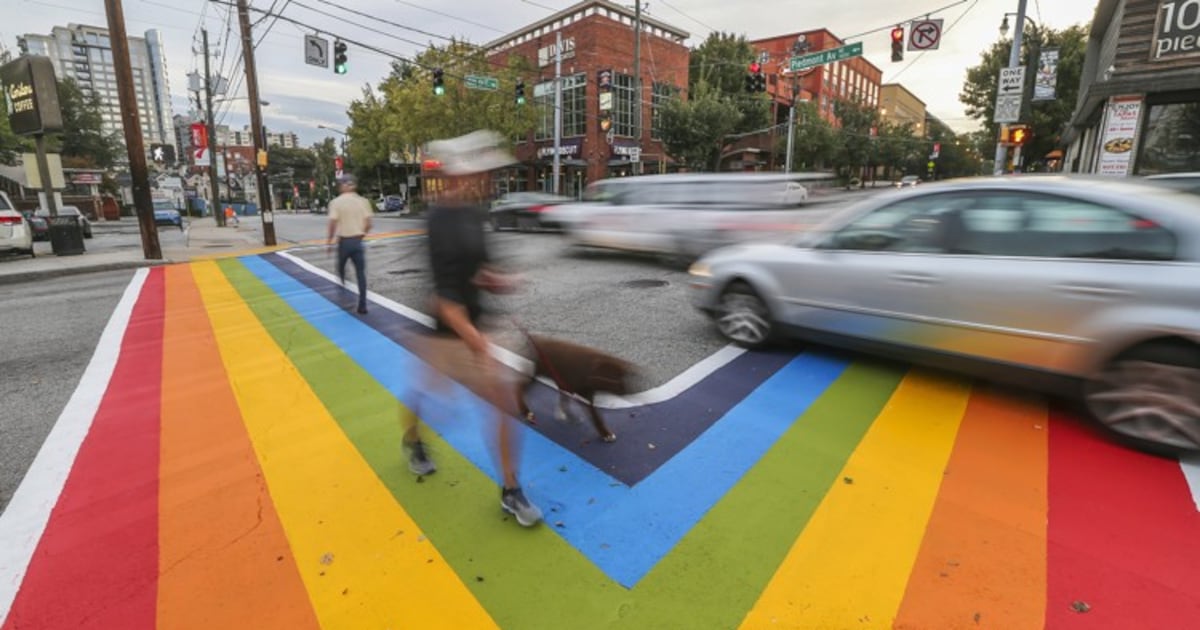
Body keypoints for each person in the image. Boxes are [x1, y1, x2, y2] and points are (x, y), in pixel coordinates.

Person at [403, 129, 543, 527]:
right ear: (453, 176)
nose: (484, 178)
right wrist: (476, 341)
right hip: (447, 333)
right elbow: (444, 300)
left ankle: (511, 490)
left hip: (476, 326)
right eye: (478, 171)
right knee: (424, 395)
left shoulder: (474, 214)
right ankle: (412, 439)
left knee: (503, 403)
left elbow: (479, 267)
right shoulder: (438, 222)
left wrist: (496, 279)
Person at [326, 173, 373, 314]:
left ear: (343, 186)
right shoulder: (363, 201)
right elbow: (369, 223)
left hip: (344, 241)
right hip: (358, 241)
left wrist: (329, 241)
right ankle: (362, 305)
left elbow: (332, 223)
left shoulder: (336, 202)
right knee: (360, 273)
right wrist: (361, 234)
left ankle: (343, 288)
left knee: (340, 267)